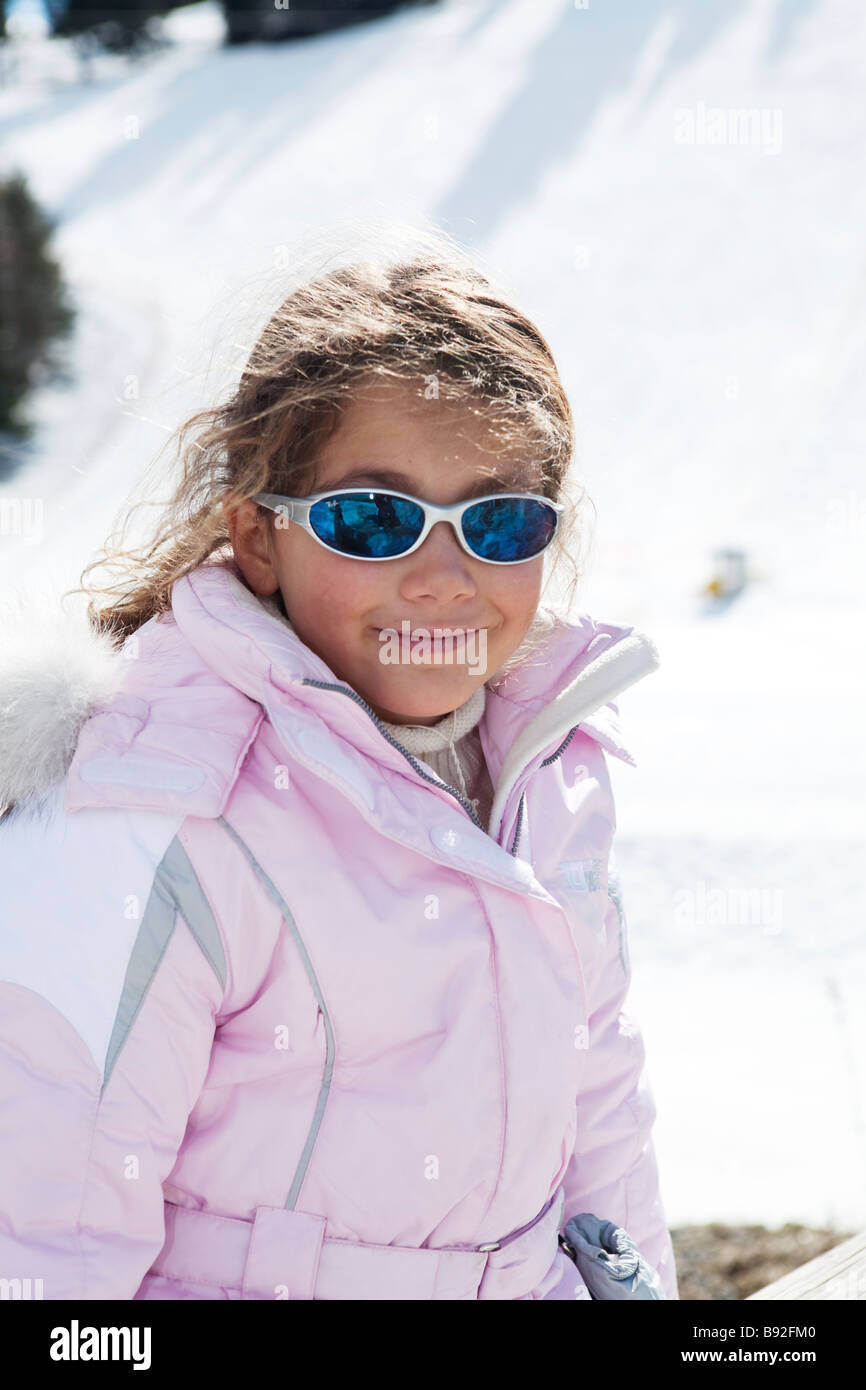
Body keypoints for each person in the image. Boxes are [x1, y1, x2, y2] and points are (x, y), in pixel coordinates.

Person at [0, 242, 678, 1301]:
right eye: (373, 519)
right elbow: (42, 1245)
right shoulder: (155, 816)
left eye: (499, 522)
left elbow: (601, 1132)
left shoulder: (550, 767)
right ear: (257, 539)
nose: (444, 579)